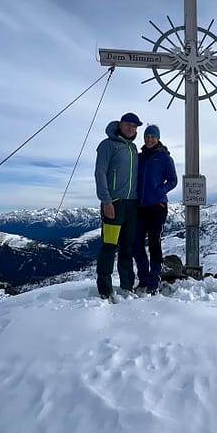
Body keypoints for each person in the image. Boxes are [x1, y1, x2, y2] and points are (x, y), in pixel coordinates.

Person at [94, 112, 143, 300]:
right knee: (109, 245)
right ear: (120, 125)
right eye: (128, 125)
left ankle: (127, 286)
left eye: (135, 126)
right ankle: (105, 289)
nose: (131, 128)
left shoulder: (133, 148)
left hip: (132, 205)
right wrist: (106, 200)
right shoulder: (107, 145)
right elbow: (100, 172)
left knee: (127, 247)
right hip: (114, 204)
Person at [134, 124, 177, 294]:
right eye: (147, 136)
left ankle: (154, 279)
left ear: (158, 138)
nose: (149, 139)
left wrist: (161, 190)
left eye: (153, 136)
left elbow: (173, 180)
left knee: (154, 242)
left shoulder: (164, 157)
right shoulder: (139, 157)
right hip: (140, 206)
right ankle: (143, 277)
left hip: (158, 206)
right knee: (136, 244)